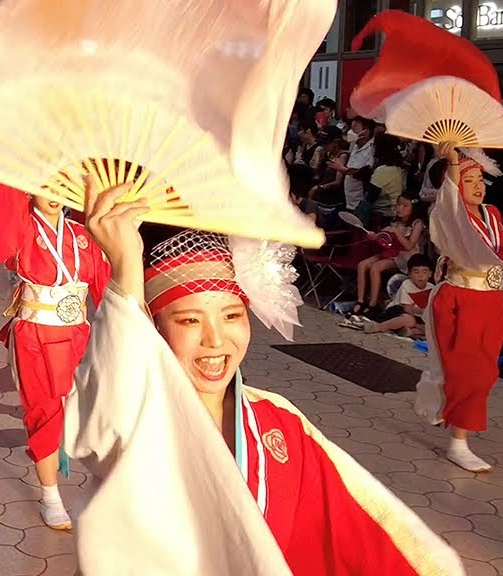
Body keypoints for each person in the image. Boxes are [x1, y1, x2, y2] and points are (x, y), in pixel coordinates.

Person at [67, 179, 462, 576]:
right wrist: (125, 275)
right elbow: (107, 406)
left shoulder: (278, 420)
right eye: (189, 320)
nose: (215, 339)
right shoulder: (136, 419)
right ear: (152, 327)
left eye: (232, 315)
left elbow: (363, 528)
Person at [0, 178, 109, 531]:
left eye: (63, 186)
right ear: (30, 189)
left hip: (78, 334)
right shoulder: (20, 229)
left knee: (85, 407)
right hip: (35, 336)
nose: (55, 195)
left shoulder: (82, 234)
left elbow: (106, 286)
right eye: (47, 186)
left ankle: (102, 485)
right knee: (44, 411)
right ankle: (51, 497)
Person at [417, 146, 503, 473]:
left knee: (485, 372)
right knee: (465, 371)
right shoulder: (449, 213)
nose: (478, 186)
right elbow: (451, 199)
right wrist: (453, 160)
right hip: (460, 298)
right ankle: (459, 441)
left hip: (491, 300)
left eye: (480, 179)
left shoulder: (492, 213)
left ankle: (454, 421)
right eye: (468, 180)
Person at [349, 193, 425, 319]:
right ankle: (360, 301)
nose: (400, 208)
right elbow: (386, 242)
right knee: (362, 265)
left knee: (375, 267)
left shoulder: (417, 224)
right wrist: (375, 237)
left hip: (406, 257)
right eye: (398, 205)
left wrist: (396, 233)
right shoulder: (394, 221)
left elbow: (409, 246)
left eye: (405, 206)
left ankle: (372, 304)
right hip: (390, 252)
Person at [363, 253, 434, 337]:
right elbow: (407, 309)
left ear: (430, 274)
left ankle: (410, 331)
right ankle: (379, 327)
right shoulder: (407, 284)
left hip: (416, 317)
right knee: (409, 320)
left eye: (424, 272)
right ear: (409, 274)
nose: (420, 276)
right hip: (396, 312)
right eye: (416, 272)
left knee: (435, 327)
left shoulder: (432, 288)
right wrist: (417, 324)